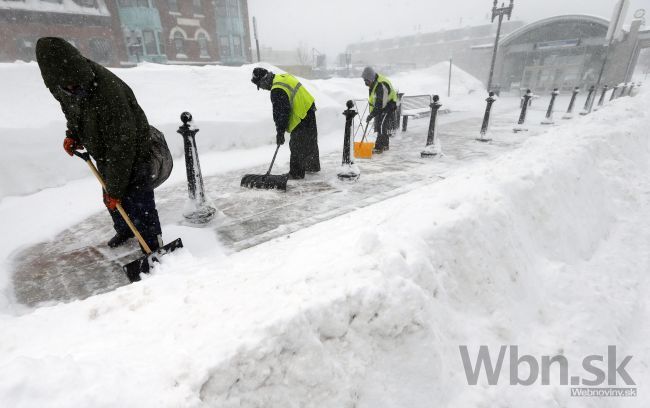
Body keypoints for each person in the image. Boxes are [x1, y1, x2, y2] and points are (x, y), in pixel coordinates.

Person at [35, 37, 163, 252]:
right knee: (109, 193)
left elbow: (122, 146)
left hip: (132, 146)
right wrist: (73, 135)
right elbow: (72, 111)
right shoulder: (61, 86)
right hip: (103, 147)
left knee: (137, 197)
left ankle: (152, 245)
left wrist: (115, 189)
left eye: (76, 85)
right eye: (67, 87)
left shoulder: (108, 92)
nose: (73, 90)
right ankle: (126, 229)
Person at [251, 67, 320, 179]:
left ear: (264, 80)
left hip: (301, 114)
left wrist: (280, 133)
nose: (263, 89)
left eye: (261, 86)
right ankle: (312, 166)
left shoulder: (277, 89)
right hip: (309, 107)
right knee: (309, 140)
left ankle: (296, 173)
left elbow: (281, 114)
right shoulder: (282, 77)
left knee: (296, 144)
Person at [361, 66, 398, 153]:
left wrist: (371, 114)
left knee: (381, 125)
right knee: (379, 125)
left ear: (371, 79)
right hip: (382, 106)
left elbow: (380, 104)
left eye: (367, 81)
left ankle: (379, 147)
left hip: (388, 106)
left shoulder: (381, 85)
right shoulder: (374, 83)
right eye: (364, 81)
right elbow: (374, 100)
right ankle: (385, 145)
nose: (366, 84)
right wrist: (372, 113)